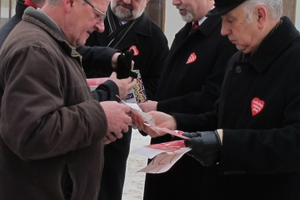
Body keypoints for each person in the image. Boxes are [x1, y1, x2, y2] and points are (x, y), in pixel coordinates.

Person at [135, 0, 300, 199]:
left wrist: (225, 145)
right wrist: (175, 121)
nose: (223, 31)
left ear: (260, 16)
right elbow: (220, 118)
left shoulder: (293, 61)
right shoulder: (239, 59)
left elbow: (293, 141)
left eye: (230, 20)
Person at [0, 0, 135, 199]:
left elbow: (59, 116)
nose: (101, 26)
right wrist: (100, 116)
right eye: (97, 15)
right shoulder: (35, 49)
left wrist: (94, 134)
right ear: (69, 3)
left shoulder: (51, 43)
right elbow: (31, 134)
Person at [137, 0, 236, 199]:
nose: (175, 2)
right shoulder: (185, 33)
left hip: (195, 163)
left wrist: (161, 108)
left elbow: (212, 99)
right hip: (163, 160)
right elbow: (167, 86)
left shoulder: (226, 37)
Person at [78, 0, 169, 199]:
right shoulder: (86, 19)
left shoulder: (155, 38)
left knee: (108, 188)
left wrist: (131, 97)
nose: (127, 1)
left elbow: (158, 86)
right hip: (77, 118)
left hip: (118, 128)